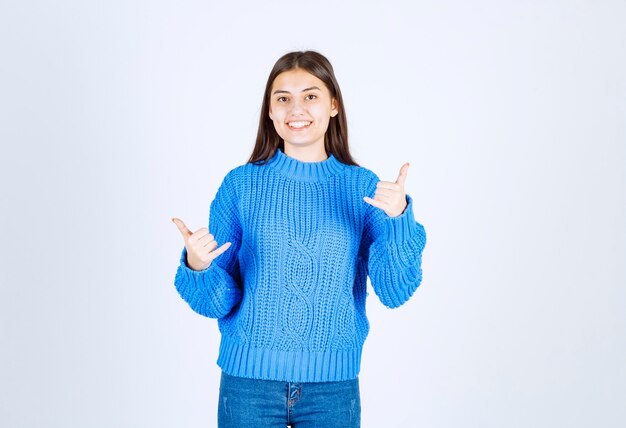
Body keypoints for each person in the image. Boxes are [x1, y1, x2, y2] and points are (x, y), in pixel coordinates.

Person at [171, 50, 427, 428]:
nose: (297, 109)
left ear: (333, 105)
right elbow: (220, 301)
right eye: (283, 98)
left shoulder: (363, 188)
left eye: (310, 96)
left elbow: (395, 291)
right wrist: (198, 266)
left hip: (332, 388)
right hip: (248, 384)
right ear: (270, 111)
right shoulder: (241, 186)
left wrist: (399, 220)